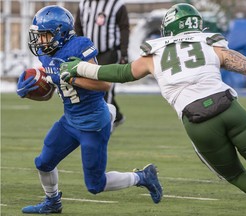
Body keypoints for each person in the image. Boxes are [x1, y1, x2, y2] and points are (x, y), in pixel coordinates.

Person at [60, 3, 246, 207]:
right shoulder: (211, 45)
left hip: (198, 119)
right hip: (229, 106)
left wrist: (80, 68)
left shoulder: (154, 54)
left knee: (237, 175)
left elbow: (121, 72)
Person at [16, 5, 162, 214]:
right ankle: (52, 202)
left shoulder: (79, 46)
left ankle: (143, 177)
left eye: (44, 36)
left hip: (92, 124)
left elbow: (104, 85)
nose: (39, 41)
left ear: (60, 32)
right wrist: (32, 90)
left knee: (95, 185)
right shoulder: (45, 54)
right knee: (43, 163)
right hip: (69, 120)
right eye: (38, 36)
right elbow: (51, 91)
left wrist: (72, 77)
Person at [74, 0, 129, 130]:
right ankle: (118, 117)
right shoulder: (83, 4)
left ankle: (105, 126)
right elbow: (78, 28)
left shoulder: (116, 4)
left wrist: (124, 53)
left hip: (108, 52)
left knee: (105, 88)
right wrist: (76, 50)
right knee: (90, 88)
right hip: (88, 54)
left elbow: (124, 28)